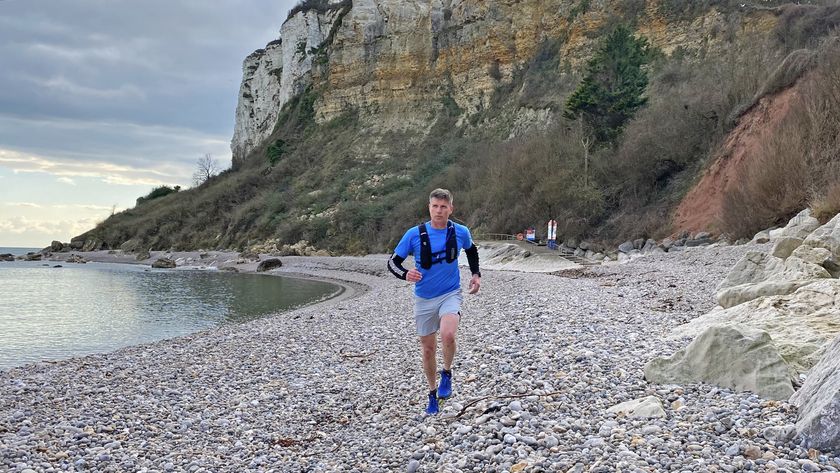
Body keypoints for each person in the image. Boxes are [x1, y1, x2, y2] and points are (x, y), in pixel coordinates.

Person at [387, 188, 481, 415]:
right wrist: (405, 274)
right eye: (435, 206)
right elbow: (392, 262)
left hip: (450, 293)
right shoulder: (413, 234)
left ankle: (447, 372)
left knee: (448, 334)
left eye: (443, 207)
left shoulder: (460, 231)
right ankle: (432, 393)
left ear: (451, 208)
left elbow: (472, 251)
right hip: (424, 299)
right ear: (429, 207)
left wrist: (476, 275)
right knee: (428, 349)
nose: (439, 211)